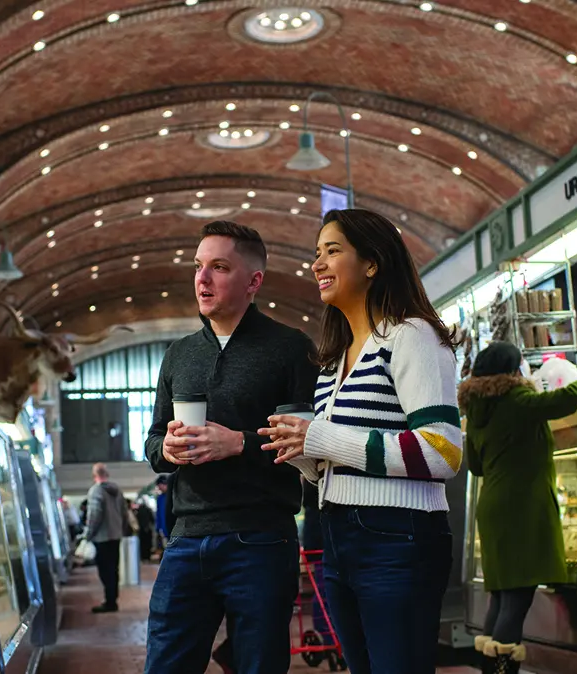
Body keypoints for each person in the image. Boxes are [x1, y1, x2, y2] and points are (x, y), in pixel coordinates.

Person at [258, 208, 462, 674]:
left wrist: (322, 436)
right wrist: (301, 451)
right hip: (340, 534)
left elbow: (442, 450)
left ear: (372, 263)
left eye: (332, 251)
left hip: (398, 537)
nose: (317, 264)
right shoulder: (336, 360)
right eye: (316, 254)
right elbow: (341, 452)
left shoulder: (411, 336)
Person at [143, 220, 319, 674]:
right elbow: (152, 440)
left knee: (258, 665)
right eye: (199, 266)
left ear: (254, 281)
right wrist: (169, 451)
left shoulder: (290, 349)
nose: (202, 278)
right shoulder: (179, 354)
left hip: (260, 538)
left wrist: (238, 443)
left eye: (219, 267)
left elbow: (309, 452)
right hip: (185, 539)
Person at [458, 342, 577, 673]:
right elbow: (563, 400)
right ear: (515, 373)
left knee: (502, 595)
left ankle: (489, 669)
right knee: (516, 598)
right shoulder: (516, 400)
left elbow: (475, 467)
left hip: (493, 509)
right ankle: (501, 670)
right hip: (521, 509)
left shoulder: (475, 412)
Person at [85, 463, 131, 614]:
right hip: (115, 535)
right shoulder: (117, 491)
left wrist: (88, 534)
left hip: (102, 537)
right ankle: (112, 600)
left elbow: (94, 515)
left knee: (105, 571)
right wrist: (122, 530)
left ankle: (109, 602)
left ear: (94, 475)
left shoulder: (95, 491)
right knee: (114, 569)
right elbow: (125, 513)